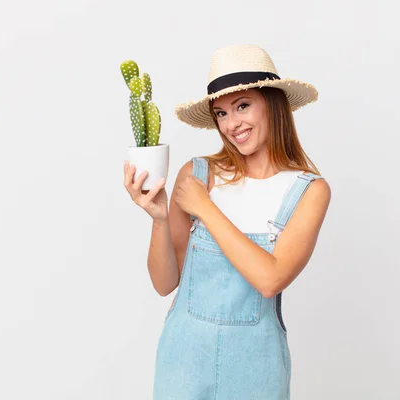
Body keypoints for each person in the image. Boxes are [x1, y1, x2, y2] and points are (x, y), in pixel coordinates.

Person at [123, 44, 331, 399]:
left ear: (273, 104)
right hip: (183, 365)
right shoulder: (197, 174)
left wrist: (206, 209)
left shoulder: (309, 191)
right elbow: (164, 283)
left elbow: (270, 279)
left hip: (256, 371)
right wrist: (159, 219)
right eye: (221, 113)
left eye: (243, 106)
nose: (232, 125)